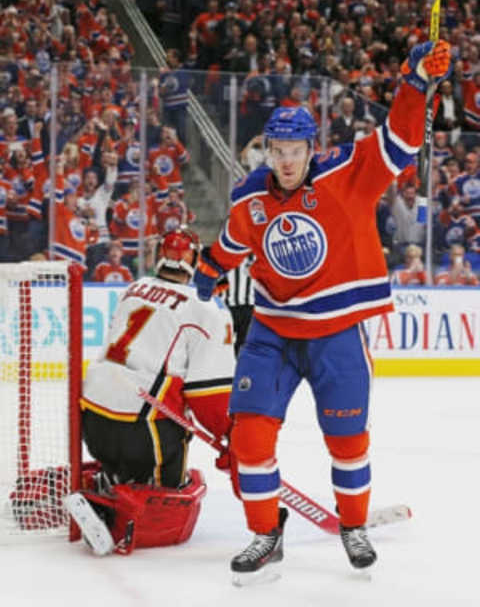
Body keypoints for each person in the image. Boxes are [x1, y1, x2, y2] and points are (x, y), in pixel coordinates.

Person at [192, 40, 452, 583]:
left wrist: (414, 82)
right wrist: (209, 269)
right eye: (276, 149)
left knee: (348, 442)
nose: (285, 159)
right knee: (249, 440)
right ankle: (266, 536)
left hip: (337, 333)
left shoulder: (346, 174)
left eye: (295, 149)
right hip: (272, 335)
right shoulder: (249, 199)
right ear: (265, 150)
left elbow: (401, 141)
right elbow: (233, 244)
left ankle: (352, 526)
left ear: (312, 147)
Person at [65, 228, 237, 555]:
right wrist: (232, 438)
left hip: (92, 422)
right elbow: (208, 396)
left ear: (160, 255)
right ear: (198, 261)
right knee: (170, 495)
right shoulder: (207, 310)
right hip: (144, 429)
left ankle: (107, 485)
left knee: (122, 462)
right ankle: (114, 516)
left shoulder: (135, 287)